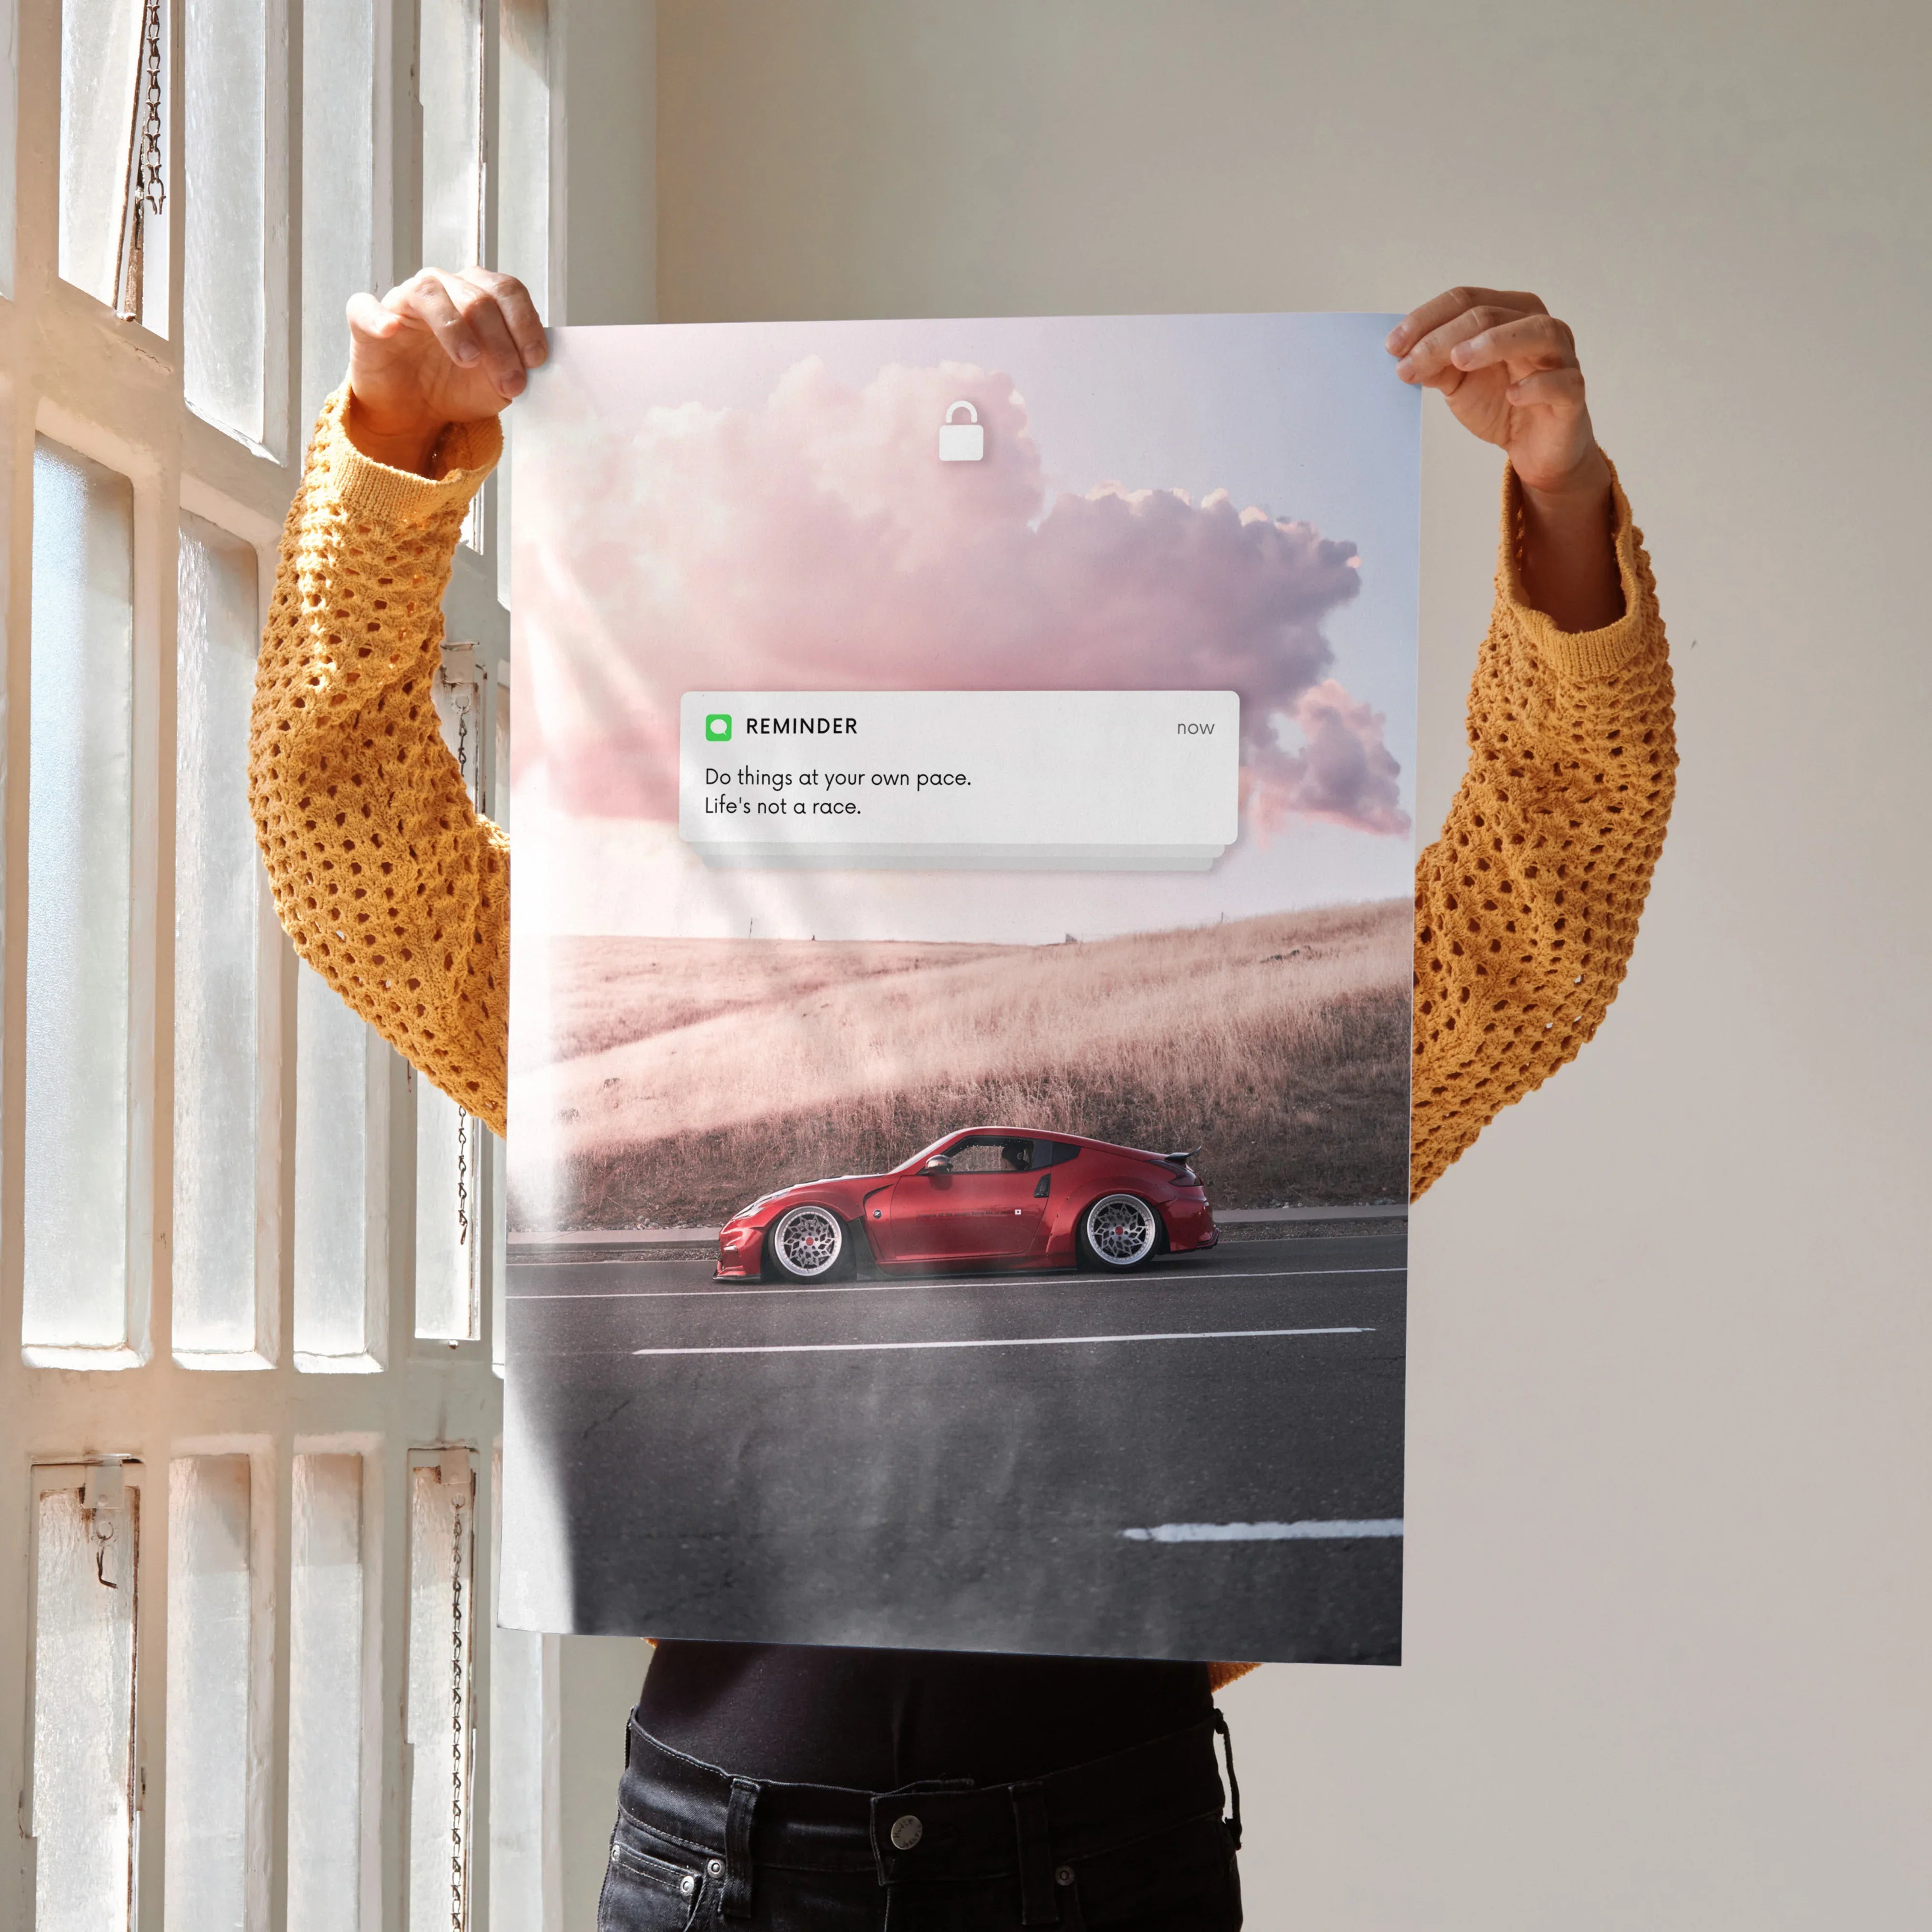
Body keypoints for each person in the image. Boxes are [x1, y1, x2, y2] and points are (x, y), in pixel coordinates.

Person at [250, 270, 1675, 1929]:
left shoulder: (1181, 1081)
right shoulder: (606, 1020)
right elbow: (345, 836)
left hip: (1104, 1852)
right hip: (726, 1866)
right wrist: (392, 447)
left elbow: (1546, 906)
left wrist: (1560, 499)